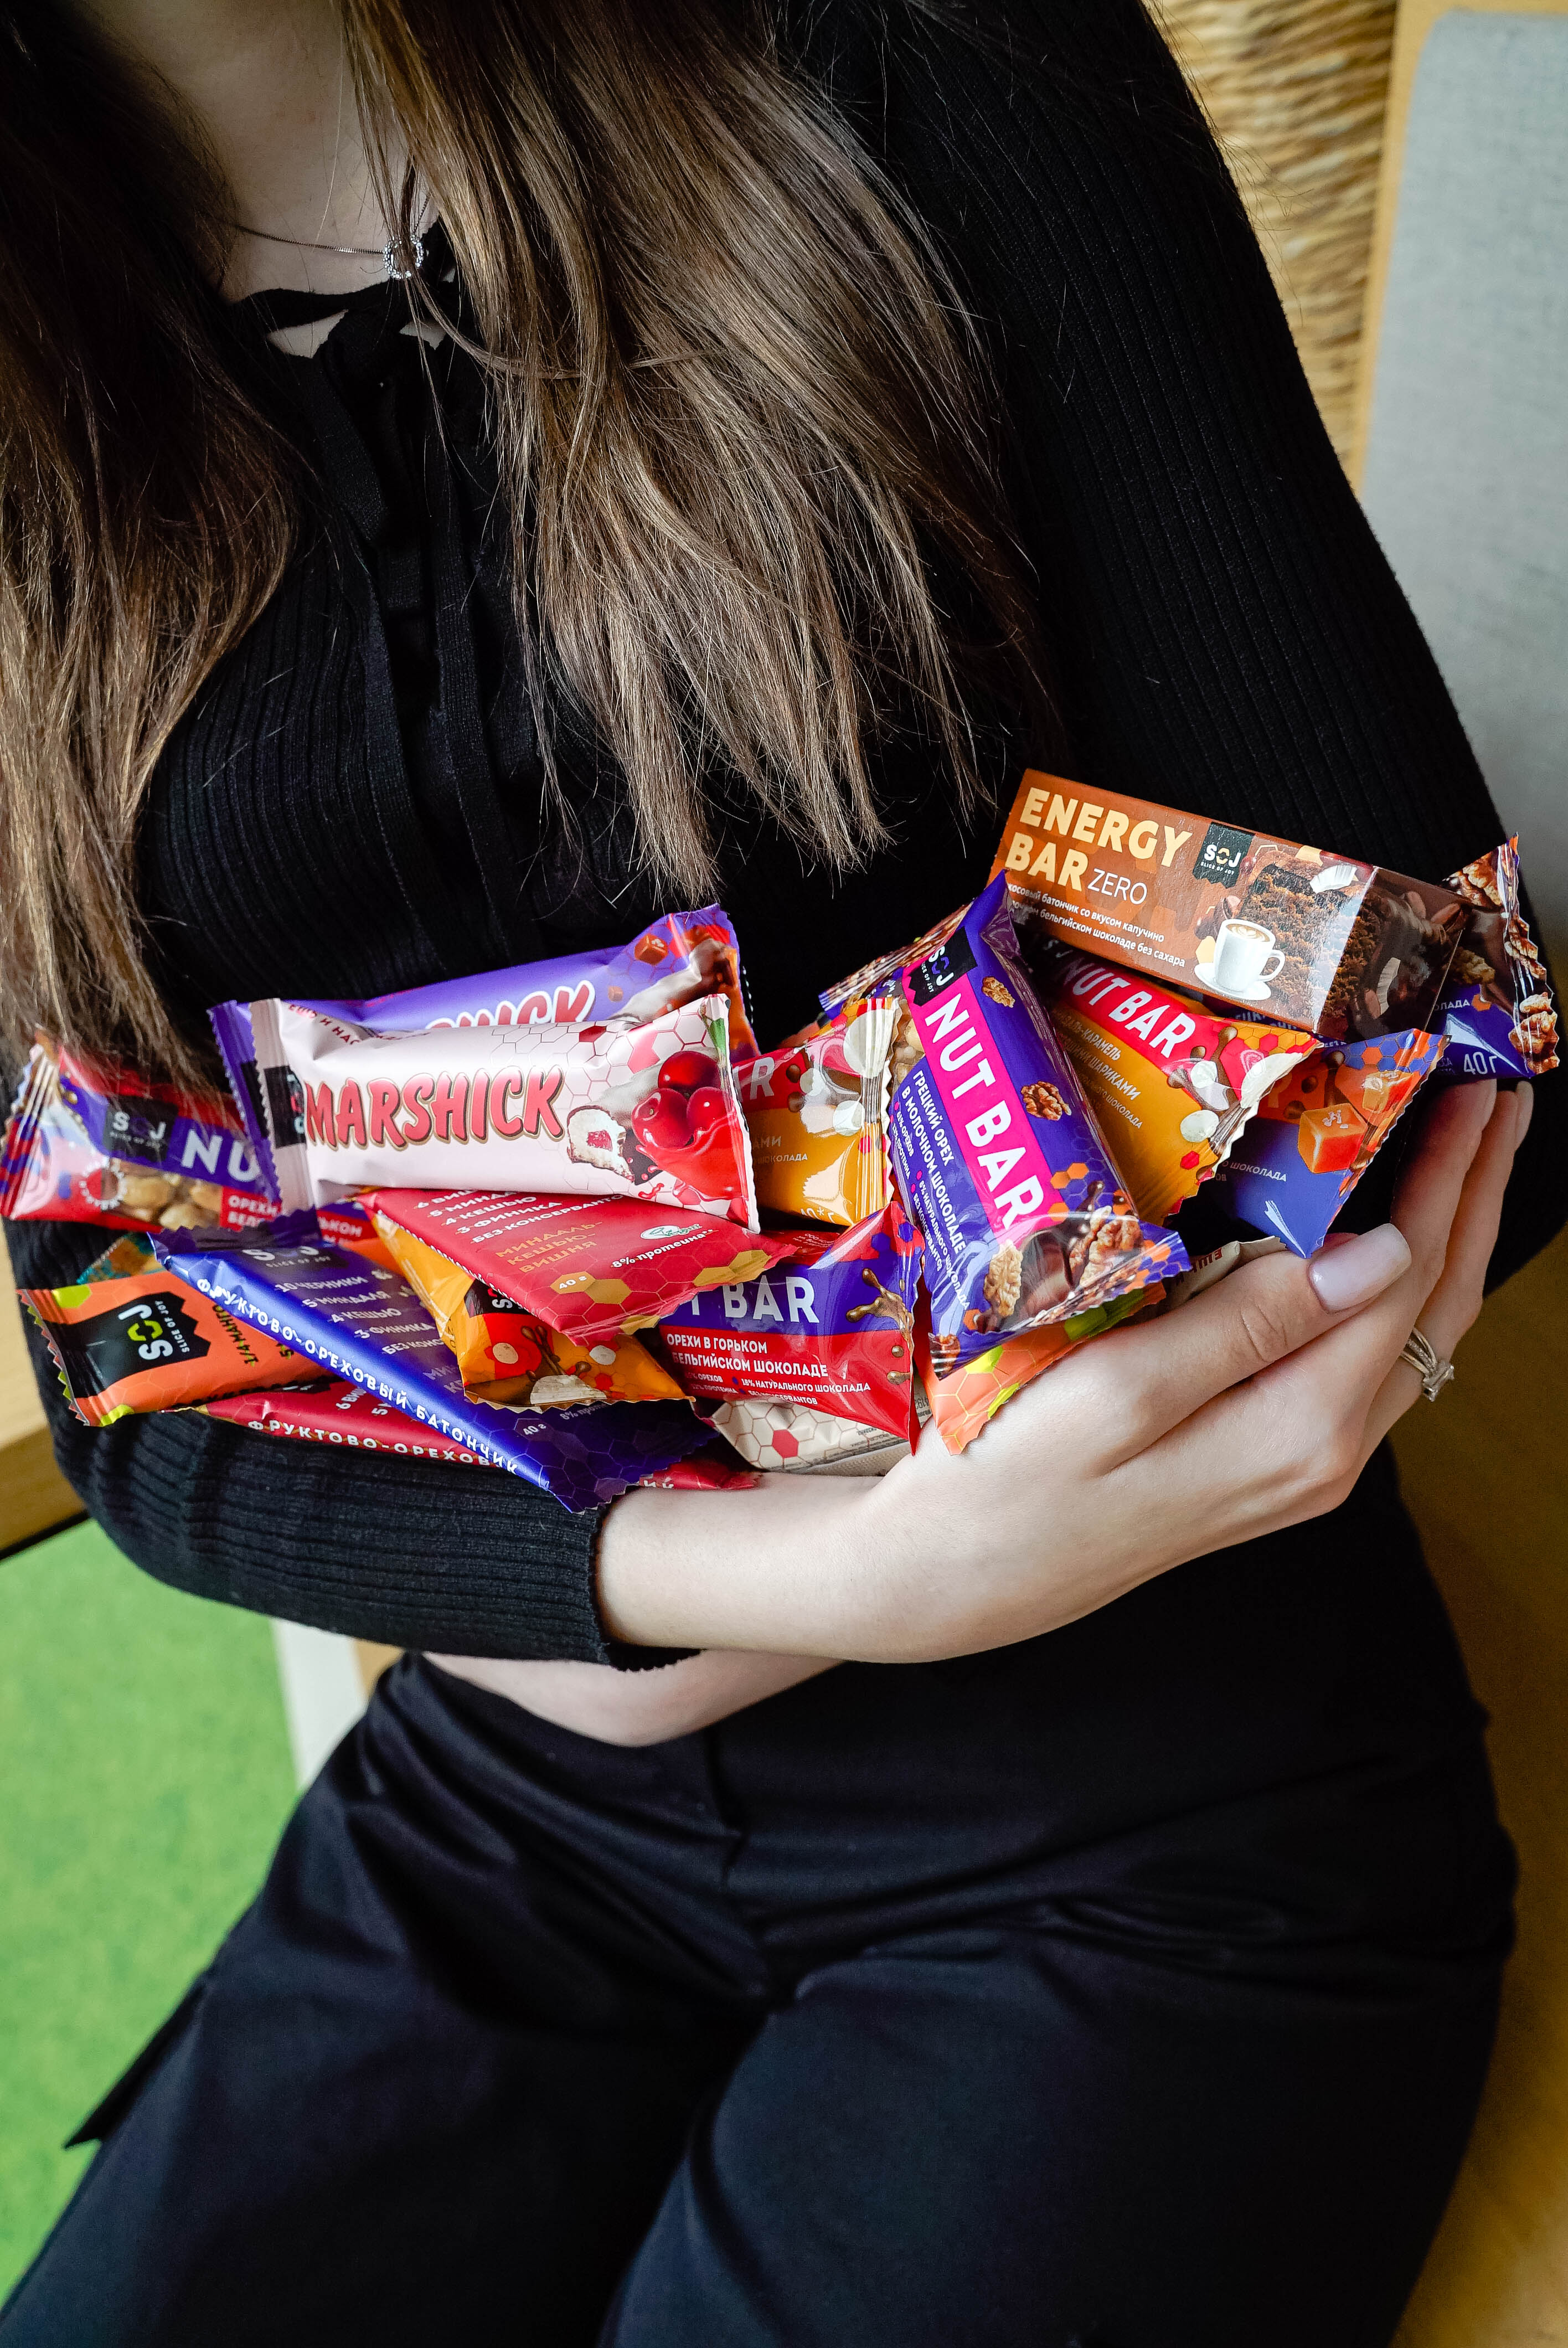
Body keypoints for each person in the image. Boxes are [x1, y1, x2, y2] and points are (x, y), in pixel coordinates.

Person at [0, 0, 1559, 2339]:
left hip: (1149, 1806)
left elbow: (1428, 1044)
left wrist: (696, 1575)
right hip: (516, 1785)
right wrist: (764, 1581)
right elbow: (132, 1373)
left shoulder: (922, 60)